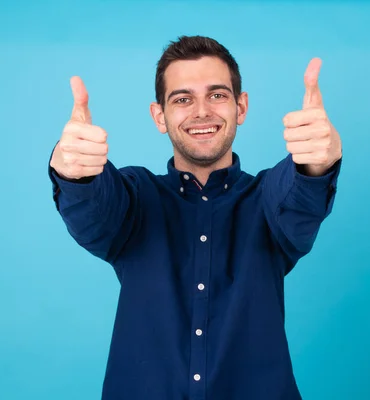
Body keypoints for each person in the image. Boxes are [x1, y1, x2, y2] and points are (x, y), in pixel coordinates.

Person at [48, 35, 342, 400]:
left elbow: (299, 197)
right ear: (159, 115)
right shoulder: (136, 196)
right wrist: (75, 171)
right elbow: (95, 207)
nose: (201, 111)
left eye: (217, 95)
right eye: (182, 99)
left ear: (241, 107)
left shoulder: (267, 199)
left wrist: (316, 161)